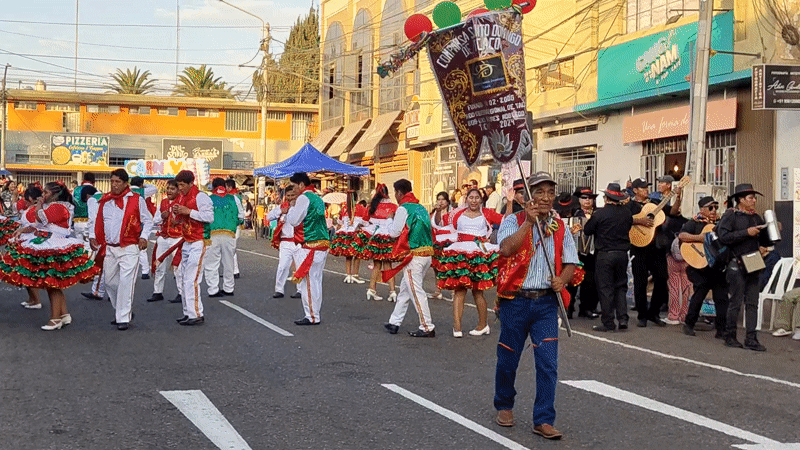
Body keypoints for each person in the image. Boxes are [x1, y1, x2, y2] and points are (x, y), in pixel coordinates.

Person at [493, 172, 579, 440]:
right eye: (538, 192)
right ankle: (504, 404)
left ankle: (543, 419)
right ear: (527, 196)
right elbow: (506, 249)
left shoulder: (560, 225)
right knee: (508, 358)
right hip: (515, 300)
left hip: (545, 304)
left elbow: (571, 262)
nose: (544, 198)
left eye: (549, 192)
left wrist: (562, 280)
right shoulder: (512, 220)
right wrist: (528, 224)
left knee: (548, 362)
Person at [90, 169, 153, 331]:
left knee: (126, 283)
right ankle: (122, 311)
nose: (114, 185)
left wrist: (144, 236)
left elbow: (148, 220)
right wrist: (92, 236)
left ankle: (123, 318)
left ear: (126, 183)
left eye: (118, 181)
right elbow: (96, 220)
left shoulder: (137, 200)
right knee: (110, 282)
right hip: (110, 248)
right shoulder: (105, 200)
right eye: (112, 181)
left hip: (129, 247)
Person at [436, 188, 503, 337]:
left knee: (478, 291)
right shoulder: (456, 213)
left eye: (476, 198)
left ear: (481, 200)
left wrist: (510, 201)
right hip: (460, 253)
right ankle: (457, 327)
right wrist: (440, 209)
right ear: (466, 199)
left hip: (478, 254)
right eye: (471, 197)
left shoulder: (487, 213)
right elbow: (440, 223)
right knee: (459, 290)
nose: (473, 200)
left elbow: (506, 220)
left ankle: (482, 325)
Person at [717, 183, 772, 351]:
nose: (754, 201)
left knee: (752, 302)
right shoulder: (731, 215)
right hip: (736, 261)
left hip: (754, 260)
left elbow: (764, 240)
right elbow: (723, 236)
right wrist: (746, 233)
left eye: (754, 198)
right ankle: (730, 335)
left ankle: (751, 338)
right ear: (740, 200)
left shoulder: (756, 217)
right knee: (735, 301)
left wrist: (768, 239)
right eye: (750, 198)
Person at [381, 179, 436, 337]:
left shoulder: (403, 209)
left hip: (414, 256)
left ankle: (427, 326)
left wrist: (390, 219)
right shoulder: (421, 207)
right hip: (426, 255)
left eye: (395, 193)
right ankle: (394, 322)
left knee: (416, 291)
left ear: (399, 193)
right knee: (405, 290)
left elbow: (394, 232)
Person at [583, 183, 633, 332]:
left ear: (606, 198)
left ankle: (608, 322)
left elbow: (588, 230)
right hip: (622, 253)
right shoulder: (626, 212)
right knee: (620, 287)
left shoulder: (600, 214)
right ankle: (623, 319)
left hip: (605, 254)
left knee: (605, 289)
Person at [283, 172, 329, 325]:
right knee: (316, 280)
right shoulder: (318, 198)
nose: (293, 189)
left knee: (308, 282)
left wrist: (291, 208)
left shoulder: (303, 198)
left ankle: (312, 316)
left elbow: (294, 220)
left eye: (295, 186)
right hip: (322, 244)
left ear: (301, 185)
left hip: (310, 245)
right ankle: (315, 312)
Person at [680, 196, 729, 338]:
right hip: (700, 267)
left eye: (716, 207)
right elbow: (682, 236)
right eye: (710, 208)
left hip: (717, 266)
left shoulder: (720, 224)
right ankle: (689, 324)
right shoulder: (694, 223)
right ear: (702, 210)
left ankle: (721, 329)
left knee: (721, 298)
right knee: (699, 295)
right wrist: (701, 238)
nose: (714, 211)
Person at [172, 170, 214, 326]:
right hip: (187, 241)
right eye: (179, 185)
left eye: (182, 185)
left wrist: (189, 211)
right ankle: (188, 312)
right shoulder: (182, 197)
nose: (180, 188)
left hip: (199, 241)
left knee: (191, 279)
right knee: (183, 278)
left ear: (191, 183)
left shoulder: (201, 197)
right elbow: (184, 218)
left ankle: (195, 313)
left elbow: (209, 217)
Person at [629, 177, 670, 328]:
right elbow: (624, 219)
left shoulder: (654, 205)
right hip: (639, 246)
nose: (646, 190)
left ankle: (654, 312)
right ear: (635, 190)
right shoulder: (629, 205)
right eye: (642, 188)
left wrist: (677, 195)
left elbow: (671, 212)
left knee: (661, 278)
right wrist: (639, 221)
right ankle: (642, 314)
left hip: (656, 247)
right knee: (640, 281)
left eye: (647, 187)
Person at [653, 175, 691, 325]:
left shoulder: (681, 203)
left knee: (678, 283)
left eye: (662, 182)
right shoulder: (655, 199)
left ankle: (675, 315)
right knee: (679, 282)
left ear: (669, 185)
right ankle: (680, 314)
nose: (659, 185)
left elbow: (674, 212)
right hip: (665, 244)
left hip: (671, 245)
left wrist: (678, 196)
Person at [205, 178, 243, 298]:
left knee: (211, 263)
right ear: (225, 186)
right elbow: (241, 217)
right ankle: (228, 288)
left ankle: (213, 289)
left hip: (212, 235)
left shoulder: (208, 199)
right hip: (229, 235)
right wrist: (231, 224)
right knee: (229, 262)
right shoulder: (234, 198)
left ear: (213, 187)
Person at [147, 179, 184, 303]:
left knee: (177, 266)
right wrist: (162, 216)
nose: (169, 191)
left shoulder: (183, 202)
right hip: (164, 237)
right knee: (159, 265)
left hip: (178, 238)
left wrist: (178, 222)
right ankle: (157, 292)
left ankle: (181, 292)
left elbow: (188, 220)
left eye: (172, 189)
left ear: (178, 190)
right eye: (168, 188)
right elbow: (156, 220)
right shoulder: (163, 202)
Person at [362, 184, 399, 301]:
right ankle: (392, 291)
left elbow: (365, 222)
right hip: (388, 237)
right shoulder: (394, 206)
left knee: (376, 265)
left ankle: (371, 289)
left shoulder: (372, 206)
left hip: (376, 236)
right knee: (388, 265)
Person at [10, 185, 43, 310]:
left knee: (29, 273)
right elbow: (15, 207)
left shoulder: (34, 210)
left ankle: (36, 300)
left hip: (30, 243)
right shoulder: (32, 209)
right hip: (26, 241)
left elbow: (34, 226)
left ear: (30, 198)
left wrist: (21, 229)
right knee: (26, 272)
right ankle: (32, 299)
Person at [572, 186, 600, 319]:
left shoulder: (597, 214)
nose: (587, 201)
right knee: (574, 281)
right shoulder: (575, 214)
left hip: (593, 252)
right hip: (577, 251)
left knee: (591, 282)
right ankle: (569, 308)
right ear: (579, 200)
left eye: (590, 198)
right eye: (584, 198)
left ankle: (587, 308)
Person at [268, 194, 301, 299]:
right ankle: (279, 289)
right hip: (285, 242)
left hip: (299, 242)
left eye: (293, 195)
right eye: (289, 195)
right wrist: (281, 211)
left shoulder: (301, 207)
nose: (291, 197)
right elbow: (269, 217)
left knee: (300, 266)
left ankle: (301, 290)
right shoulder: (282, 207)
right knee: (283, 266)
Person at [329, 191, 367, 284]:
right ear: (357, 198)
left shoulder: (344, 208)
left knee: (348, 255)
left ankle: (348, 275)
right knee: (357, 254)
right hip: (355, 233)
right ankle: (355, 275)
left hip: (345, 233)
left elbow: (340, 222)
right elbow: (365, 222)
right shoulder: (361, 208)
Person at [81, 183, 107, 302]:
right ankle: (114, 293)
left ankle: (97, 291)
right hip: (113, 235)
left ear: (87, 195)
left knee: (100, 265)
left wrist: (91, 236)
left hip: (101, 235)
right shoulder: (107, 196)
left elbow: (93, 219)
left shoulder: (92, 200)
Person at [131, 176, 157, 280]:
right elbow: (154, 188)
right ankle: (145, 271)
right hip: (140, 221)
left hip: (128, 221)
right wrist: (143, 185)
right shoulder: (143, 191)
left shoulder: (125, 190)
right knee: (141, 247)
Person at [429, 191, 453, 301]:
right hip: (437, 243)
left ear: (447, 202)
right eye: (439, 199)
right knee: (436, 268)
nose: (441, 201)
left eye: (443, 199)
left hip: (449, 243)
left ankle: (454, 291)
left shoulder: (453, 213)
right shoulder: (434, 213)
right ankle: (438, 290)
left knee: (450, 267)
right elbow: (436, 224)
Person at [225, 179, 244, 279]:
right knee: (229, 249)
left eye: (226, 187)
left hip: (234, 226)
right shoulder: (233, 197)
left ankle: (234, 271)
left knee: (231, 249)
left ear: (229, 187)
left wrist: (237, 222)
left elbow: (241, 212)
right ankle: (231, 270)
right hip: (231, 226)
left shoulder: (234, 198)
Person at [71, 172, 96, 244]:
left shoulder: (75, 190)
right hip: (89, 223)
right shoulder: (94, 191)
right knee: (89, 247)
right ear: (93, 181)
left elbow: (72, 205)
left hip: (77, 223)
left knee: (79, 246)